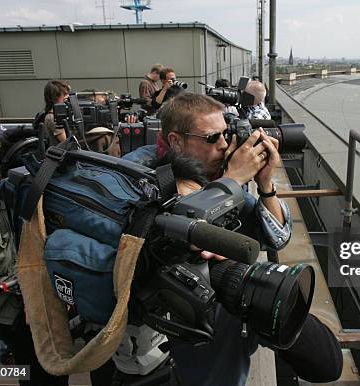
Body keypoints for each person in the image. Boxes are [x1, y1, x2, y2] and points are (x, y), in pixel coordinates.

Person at [145, 150, 343, 386]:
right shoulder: (127, 276)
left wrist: (244, 284)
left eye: (205, 226)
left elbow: (327, 364)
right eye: (180, 227)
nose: (197, 242)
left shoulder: (226, 299)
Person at [0, 127, 70, 386]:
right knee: (32, 372)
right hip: (10, 311)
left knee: (58, 368)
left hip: (52, 303)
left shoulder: (51, 186)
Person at [124, 92, 291, 250]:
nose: (224, 145)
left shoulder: (214, 173)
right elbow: (172, 242)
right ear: (176, 142)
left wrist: (265, 184)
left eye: (225, 134)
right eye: (212, 137)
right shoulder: (136, 172)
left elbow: (276, 239)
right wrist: (231, 181)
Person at [42, 79, 70, 146]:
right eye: (65, 94)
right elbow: (67, 141)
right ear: (54, 97)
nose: (67, 96)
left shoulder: (63, 113)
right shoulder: (52, 117)